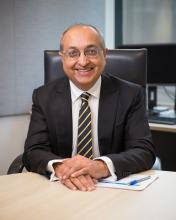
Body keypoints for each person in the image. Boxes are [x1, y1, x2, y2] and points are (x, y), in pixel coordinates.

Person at [23, 23, 155, 191]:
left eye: (91, 51)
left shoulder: (130, 94)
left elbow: (144, 151)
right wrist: (61, 168)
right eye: (73, 53)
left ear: (104, 54)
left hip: (113, 189)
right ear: (62, 58)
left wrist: (101, 166)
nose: (83, 61)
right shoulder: (43, 96)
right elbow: (33, 151)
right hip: (62, 186)